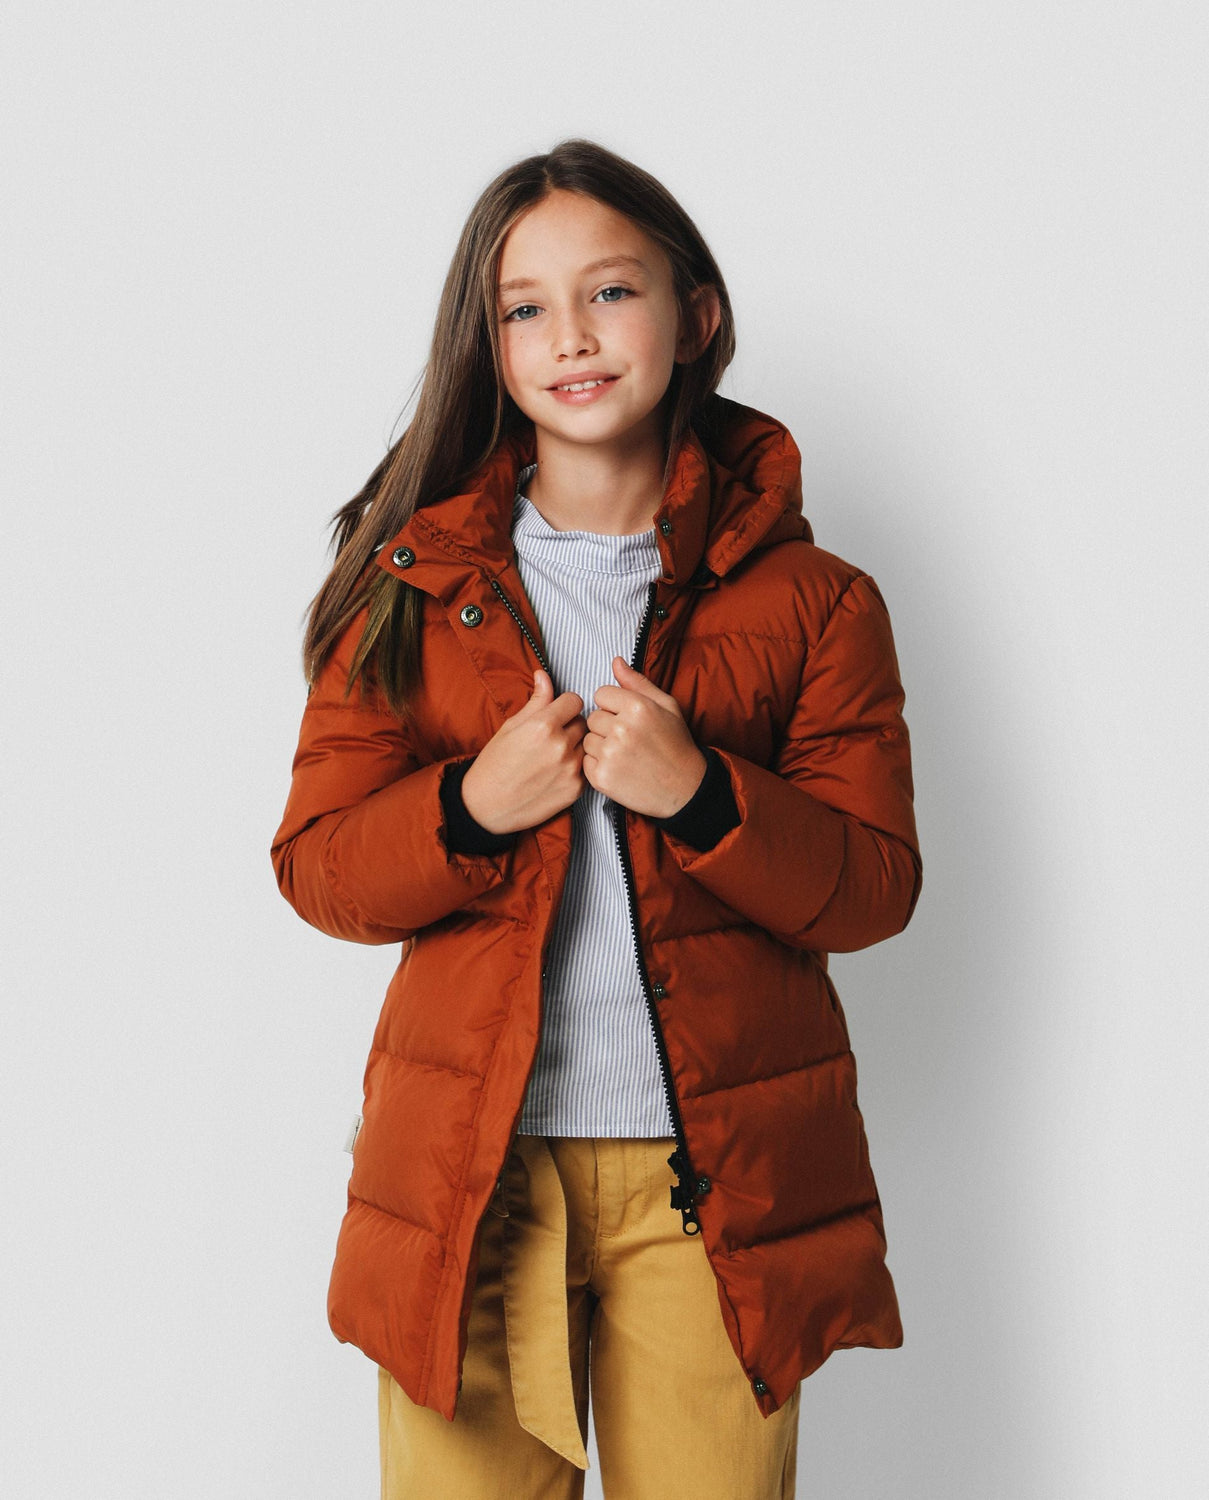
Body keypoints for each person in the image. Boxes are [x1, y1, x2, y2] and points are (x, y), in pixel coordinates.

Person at [271, 137, 922, 1500]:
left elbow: (872, 889)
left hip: (716, 1184)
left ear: (696, 315)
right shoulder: (410, 585)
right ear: (489, 344)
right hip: (470, 1172)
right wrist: (469, 808)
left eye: (611, 291)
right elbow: (320, 870)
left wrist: (704, 794)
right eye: (524, 307)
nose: (569, 334)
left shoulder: (818, 602)